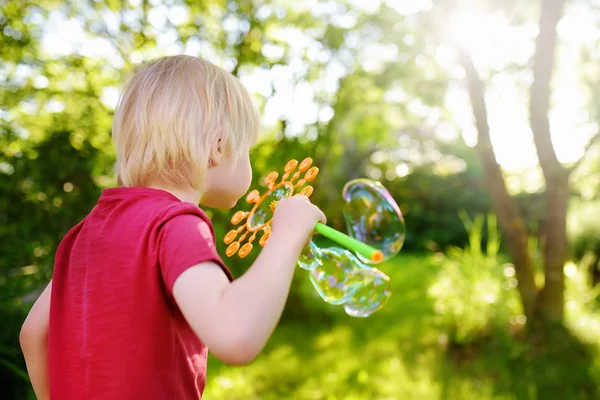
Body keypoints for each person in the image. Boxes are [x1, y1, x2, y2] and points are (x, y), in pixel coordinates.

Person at [19, 55, 326, 400]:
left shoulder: (86, 232)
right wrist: (287, 234)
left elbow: (33, 334)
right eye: (248, 150)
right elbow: (236, 334)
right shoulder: (174, 224)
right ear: (218, 147)